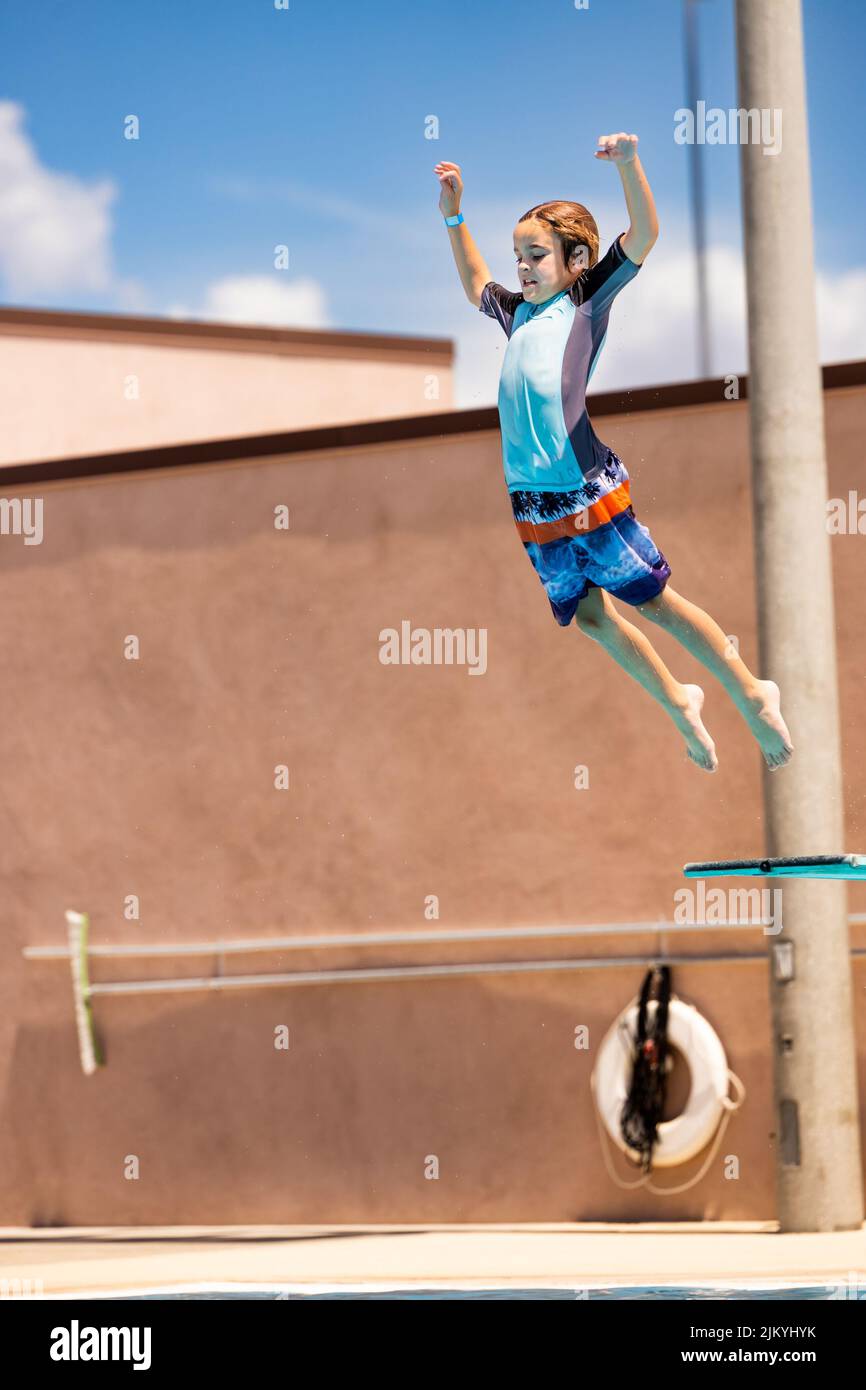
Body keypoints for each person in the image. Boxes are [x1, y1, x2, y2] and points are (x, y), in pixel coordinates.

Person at [434, 134, 793, 773]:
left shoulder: (584, 302)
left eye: (536, 254)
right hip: (531, 498)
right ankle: (680, 702)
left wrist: (628, 164)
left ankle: (750, 691)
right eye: (518, 255)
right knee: (592, 618)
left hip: (582, 485)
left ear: (576, 260)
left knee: (652, 600)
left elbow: (645, 233)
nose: (521, 266)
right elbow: (474, 284)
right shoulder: (515, 315)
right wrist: (455, 216)